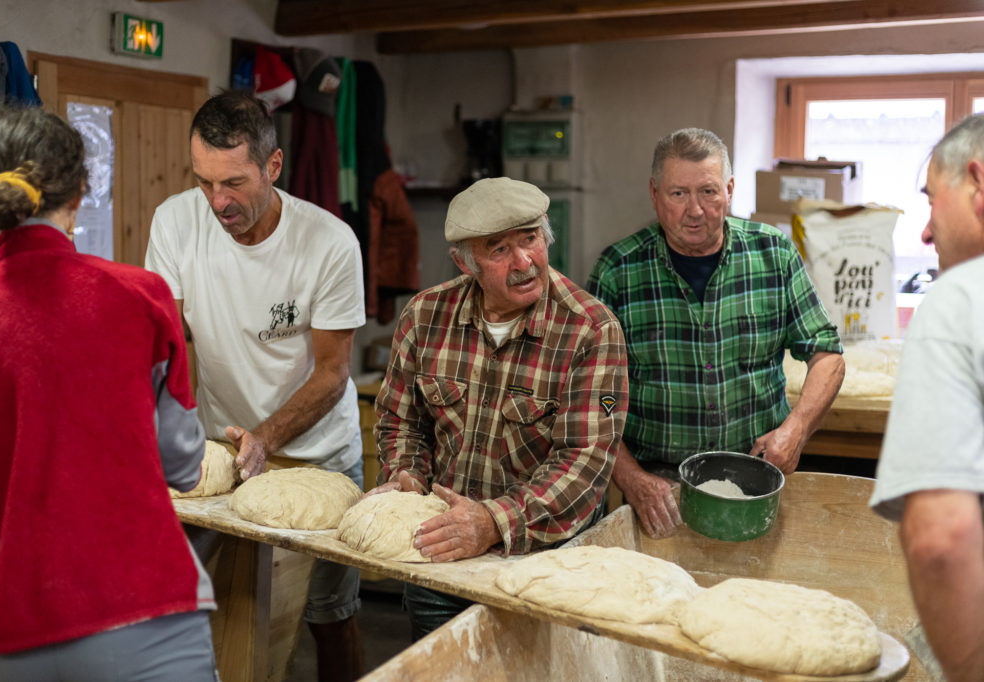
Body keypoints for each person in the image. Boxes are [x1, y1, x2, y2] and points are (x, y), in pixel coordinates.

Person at [0, 107, 216, 680]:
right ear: (79, 193)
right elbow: (183, 464)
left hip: (17, 625)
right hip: (146, 612)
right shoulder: (142, 298)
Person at [145, 90, 366, 681]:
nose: (218, 202)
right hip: (222, 451)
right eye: (204, 182)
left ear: (273, 166)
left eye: (234, 184)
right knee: (196, 594)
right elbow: (166, 345)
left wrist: (266, 436)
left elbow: (332, 371)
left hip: (319, 457)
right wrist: (157, 434)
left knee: (329, 616)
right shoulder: (175, 221)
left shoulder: (329, 243)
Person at [371, 176, 628, 639]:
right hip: (440, 562)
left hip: (543, 568)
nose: (524, 261)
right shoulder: (424, 316)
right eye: (498, 249)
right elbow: (400, 420)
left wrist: (493, 522)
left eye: (530, 238)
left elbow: (584, 460)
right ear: (464, 262)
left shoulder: (591, 330)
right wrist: (405, 475)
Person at [588, 127, 844, 539]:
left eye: (708, 192)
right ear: (654, 195)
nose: (694, 210)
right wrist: (631, 477)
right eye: (678, 194)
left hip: (760, 479)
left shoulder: (773, 255)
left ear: (729, 190)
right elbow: (593, 394)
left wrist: (796, 429)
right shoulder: (618, 271)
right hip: (659, 491)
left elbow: (826, 354)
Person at [870, 112, 984, 682]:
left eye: (931, 201)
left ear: (978, 183)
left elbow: (942, 537)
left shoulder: (960, 299)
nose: (924, 232)